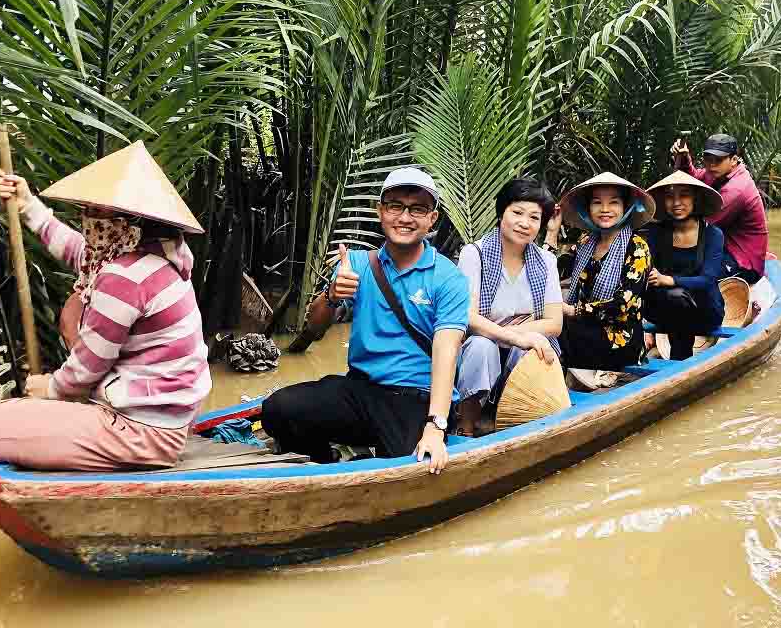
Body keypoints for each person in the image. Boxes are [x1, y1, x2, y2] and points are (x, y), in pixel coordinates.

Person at [0, 142, 211, 471]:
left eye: (100, 211)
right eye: (89, 208)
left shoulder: (124, 278)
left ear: (132, 220)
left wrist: (49, 388)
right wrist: (27, 206)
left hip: (142, 432)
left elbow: (87, 368)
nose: (89, 217)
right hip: (165, 417)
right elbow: (77, 251)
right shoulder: (157, 256)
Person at [260, 167, 468, 473]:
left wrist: (436, 425)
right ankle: (324, 462)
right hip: (361, 390)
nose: (405, 217)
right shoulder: (355, 265)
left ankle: (376, 451)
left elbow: (446, 351)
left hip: (417, 397)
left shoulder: (448, 277)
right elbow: (314, 331)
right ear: (381, 211)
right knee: (278, 409)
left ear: (432, 219)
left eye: (418, 209)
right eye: (395, 206)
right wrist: (331, 295)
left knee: (410, 467)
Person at [453, 178, 563, 436]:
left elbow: (554, 323)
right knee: (482, 347)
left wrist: (517, 333)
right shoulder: (474, 254)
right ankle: (465, 425)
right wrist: (511, 335)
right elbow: (467, 317)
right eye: (517, 212)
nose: (525, 223)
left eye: (534, 218)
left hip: (519, 349)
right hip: (479, 348)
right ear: (502, 211)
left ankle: (518, 423)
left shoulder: (546, 261)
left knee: (535, 345)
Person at [544, 172, 653, 371]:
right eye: (596, 203)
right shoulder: (586, 243)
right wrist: (552, 233)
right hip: (582, 330)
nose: (605, 210)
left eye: (613, 203)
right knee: (545, 323)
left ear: (625, 207)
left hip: (620, 339)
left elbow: (622, 305)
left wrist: (572, 310)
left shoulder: (637, 247)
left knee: (560, 325)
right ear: (588, 208)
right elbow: (546, 274)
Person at [640, 171, 725, 360]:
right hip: (665, 307)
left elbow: (707, 280)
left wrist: (669, 280)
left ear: (696, 199)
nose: (676, 202)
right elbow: (646, 271)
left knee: (676, 296)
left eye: (684, 195)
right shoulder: (656, 232)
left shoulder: (713, 235)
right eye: (670, 196)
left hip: (704, 310)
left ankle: (680, 361)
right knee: (673, 299)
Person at [672, 134, 769, 283]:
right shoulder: (719, 172)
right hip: (724, 245)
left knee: (689, 273)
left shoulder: (738, 189)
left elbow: (702, 225)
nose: (711, 165)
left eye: (718, 160)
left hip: (743, 262)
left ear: (734, 160)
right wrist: (684, 157)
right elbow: (694, 177)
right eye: (708, 159)